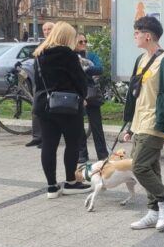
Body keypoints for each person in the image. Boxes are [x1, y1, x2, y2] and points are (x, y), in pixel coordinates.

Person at [122, 16, 164, 231]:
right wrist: (129, 125)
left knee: (139, 166)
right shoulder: (140, 60)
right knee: (151, 167)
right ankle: (154, 211)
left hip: (155, 122)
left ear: (148, 35)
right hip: (139, 121)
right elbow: (135, 94)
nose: (135, 35)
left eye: (137, 32)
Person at [32, 21, 90, 199]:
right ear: (67, 37)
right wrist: (82, 96)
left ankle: (51, 187)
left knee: (49, 145)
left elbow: (37, 81)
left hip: (44, 104)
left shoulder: (39, 54)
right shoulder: (68, 55)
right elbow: (80, 81)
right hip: (68, 105)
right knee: (73, 143)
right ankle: (71, 182)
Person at [75, 33, 108, 164]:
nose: (83, 44)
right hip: (77, 93)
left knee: (96, 125)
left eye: (85, 41)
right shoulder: (71, 55)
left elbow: (99, 69)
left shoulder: (92, 55)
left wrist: (85, 68)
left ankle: (102, 154)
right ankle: (82, 153)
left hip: (91, 93)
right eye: (80, 42)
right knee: (78, 125)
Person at [26, 21, 55, 148]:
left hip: (51, 83)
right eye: (45, 29)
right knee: (36, 109)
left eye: (50, 29)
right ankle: (37, 136)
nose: (47, 31)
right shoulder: (41, 44)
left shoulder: (56, 44)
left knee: (49, 111)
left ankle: (47, 138)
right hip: (39, 82)